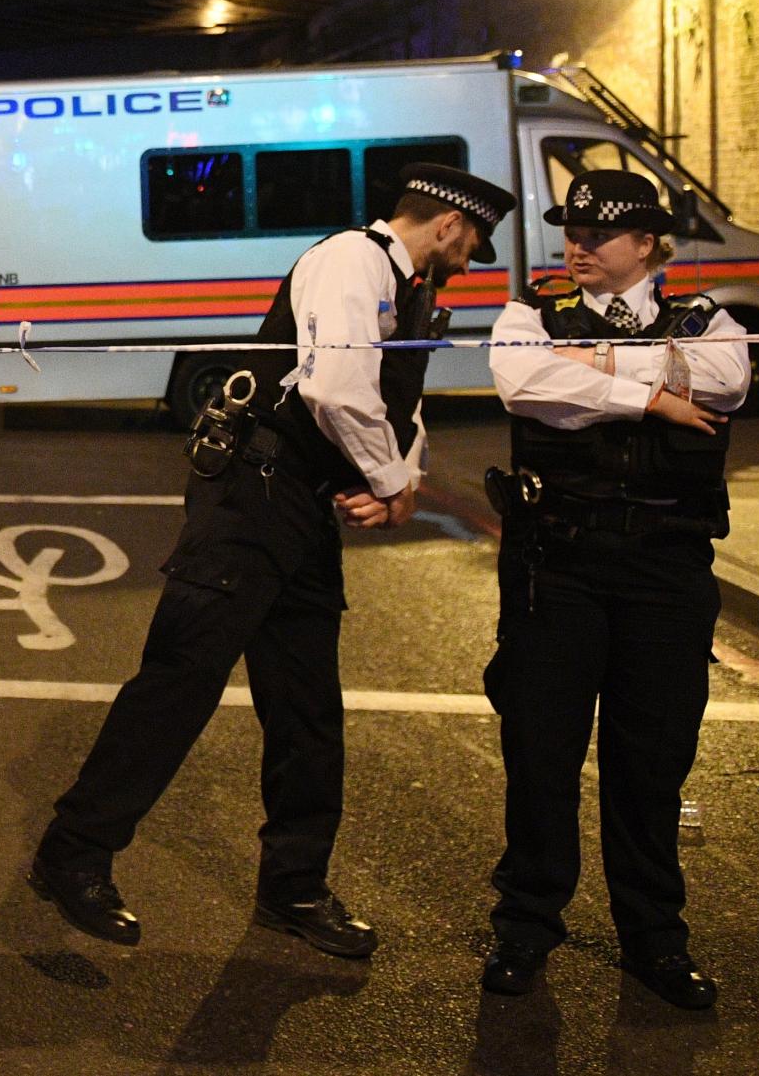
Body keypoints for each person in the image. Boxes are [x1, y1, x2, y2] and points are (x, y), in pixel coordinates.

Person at [31, 164, 515, 959]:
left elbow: (401, 402)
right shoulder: (352, 262)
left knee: (307, 708)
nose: (470, 261)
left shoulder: (413, 290)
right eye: (473, 245)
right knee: (178, 684)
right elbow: (333, 389)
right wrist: (391, 482)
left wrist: (406, 474)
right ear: (449, 225)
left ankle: (293, 884)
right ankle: (72, 852)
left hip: (297, 507)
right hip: (250, 499)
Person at [479, 170, 749, 1010]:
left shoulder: (711, 320)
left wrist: (594, 369)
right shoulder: (530, 315)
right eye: (572, 230)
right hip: (555, 562)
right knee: (541, 753)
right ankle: (526, 926)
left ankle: (654, 938)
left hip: (666, 569)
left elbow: (726, 381)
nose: (578, 246)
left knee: (653, 760)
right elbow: (528, 387)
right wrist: (651, 396)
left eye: (600, 234)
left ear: (648, 244)